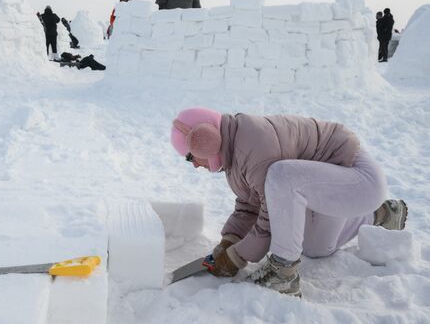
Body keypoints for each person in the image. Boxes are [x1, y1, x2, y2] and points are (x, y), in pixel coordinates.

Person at [170, 107, 408, 297]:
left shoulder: (253, 144)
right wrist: (229, 240)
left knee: (281, 176)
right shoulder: (234, 155)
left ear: (206, 139)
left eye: (190, 155)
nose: (193, 164)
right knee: (315, 248)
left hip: (359, 180)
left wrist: (236, 257)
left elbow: (269, 218)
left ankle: (283, 272)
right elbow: (249, 204)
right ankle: (383, 214)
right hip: (328, 186)